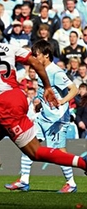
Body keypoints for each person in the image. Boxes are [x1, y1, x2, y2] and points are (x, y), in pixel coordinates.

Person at [0, 17, 87, 205]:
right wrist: (48, 86)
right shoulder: (6, 47)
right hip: (16, 97)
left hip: (5, 104)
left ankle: (84, 163)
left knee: (34, 152)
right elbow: (34, 61)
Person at [5, 40, 79, 193]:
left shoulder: (55, 71)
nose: (34, 57)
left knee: (58, 152)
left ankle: (71, 183)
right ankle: (24, 180)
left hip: (57, 120)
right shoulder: (41, 70)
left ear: (46, 55)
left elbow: (74, 89)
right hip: (43, 117)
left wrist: (62, 100)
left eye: (36, 54)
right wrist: (39, 103)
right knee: (28, 144)